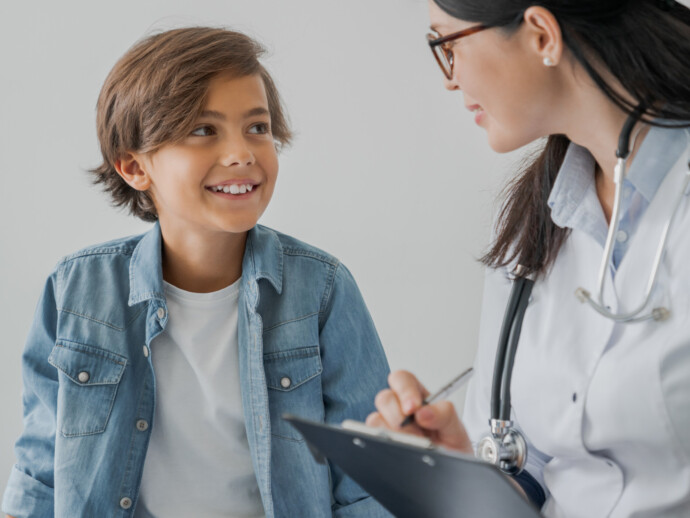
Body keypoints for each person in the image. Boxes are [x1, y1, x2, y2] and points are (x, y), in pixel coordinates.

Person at [1, 27, 392, 518]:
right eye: (204, 130)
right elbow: (41, 469)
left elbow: (368, 480)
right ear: (134, 167)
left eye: (257, 127)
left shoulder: (322, 288)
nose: (241, 153)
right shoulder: (75, 289)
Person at [367, 0, 690, 516]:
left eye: (447, 44)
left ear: (541, 34)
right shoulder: (530, 229)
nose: (449, 80)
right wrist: (463, 472)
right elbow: (534, 467)